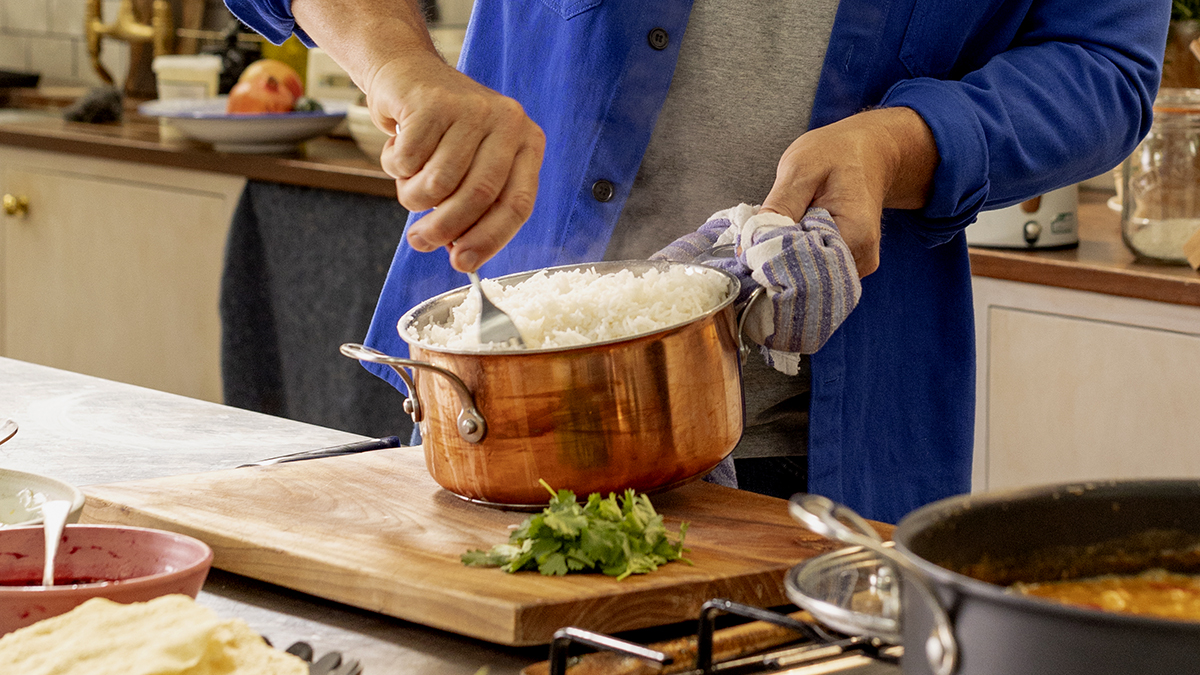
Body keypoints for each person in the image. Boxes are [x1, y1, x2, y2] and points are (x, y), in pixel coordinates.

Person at [223, 0, 1169, 523]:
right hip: (493, 413)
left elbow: (1103, 62)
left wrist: (901, 142)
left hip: (825, 456)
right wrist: (405, 70)